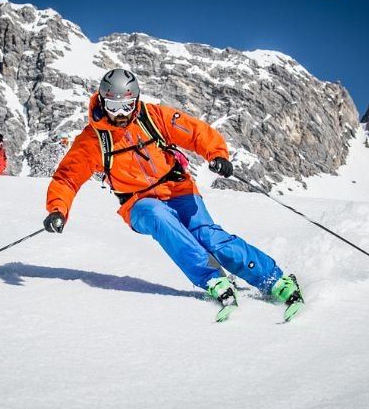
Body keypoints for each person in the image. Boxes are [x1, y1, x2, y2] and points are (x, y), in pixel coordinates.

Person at [43, 68, 303, 313]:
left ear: (136, 101)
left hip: (177, 188)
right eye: (113, 106)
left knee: (209, 237)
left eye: (126, 106)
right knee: (159, 217)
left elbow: (194, 132)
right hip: (138, 202)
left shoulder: (153, 117)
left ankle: (273, 279)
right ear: (102, 102)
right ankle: (213, 279)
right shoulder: (92, 140)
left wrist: (216, 154)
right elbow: (67, 178)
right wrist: (58, 209)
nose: (120, 114)